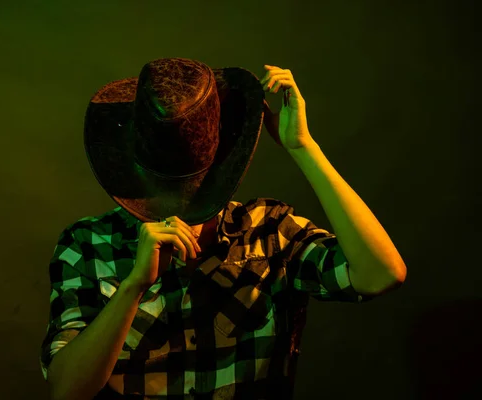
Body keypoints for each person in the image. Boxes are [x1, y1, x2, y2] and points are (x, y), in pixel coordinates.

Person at [39, 58, 407, 400]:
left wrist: (303, 148)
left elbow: (381, 274)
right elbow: (67, 390)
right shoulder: (88, 243)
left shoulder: (270, 231)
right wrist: (133, 286)